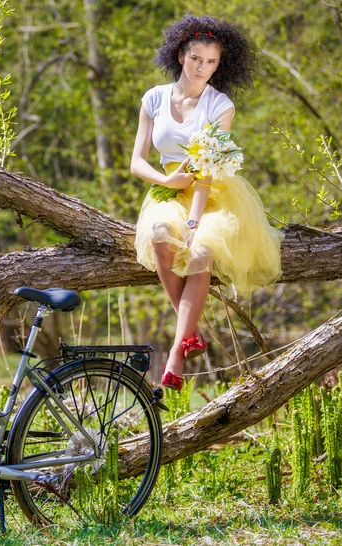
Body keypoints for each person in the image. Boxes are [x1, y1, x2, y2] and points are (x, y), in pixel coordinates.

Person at [130, 15, 284, 391]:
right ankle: (193, 331)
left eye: (211, 62)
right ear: (181, 54)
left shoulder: (221, 105)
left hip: (212, 194)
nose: (203, 68)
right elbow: (136, 162)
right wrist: (167, 179)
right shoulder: (153, 98)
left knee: (200, 252)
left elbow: (207, 171)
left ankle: (176, 356)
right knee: (162, 235)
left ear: (220, 64)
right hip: (168, 188)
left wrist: (196, 223)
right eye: (196, 58)